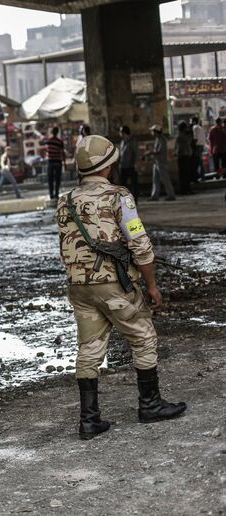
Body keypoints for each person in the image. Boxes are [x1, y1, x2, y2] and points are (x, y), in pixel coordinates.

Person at [56, 134, 186, 440]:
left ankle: (89, 420)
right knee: (143, 337)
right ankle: (150, 404)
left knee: (89, 348)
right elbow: (139, 242)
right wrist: (151, 284)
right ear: (109, 165)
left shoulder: (66, 200)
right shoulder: (119, 196)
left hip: (79, 286)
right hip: (114, 285)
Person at [146, 125, 176, 201]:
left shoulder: (162, 140)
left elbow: (159, 151)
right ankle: (154, 196)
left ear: (156, 132)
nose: (152, 133)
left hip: (161, 162)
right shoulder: (157, 139)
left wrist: (151, 152)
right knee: (155, 180)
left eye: (153, 131)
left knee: (165, 179)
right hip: (156, 162)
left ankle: (171, 195)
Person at [43, 126, 65, 200]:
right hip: (58, 162)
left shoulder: (49, 141)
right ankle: (56, 194)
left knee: (50, 179)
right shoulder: (60, 141)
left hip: (50, 162)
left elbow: (46, 151)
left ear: (52, 132)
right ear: (57, 132)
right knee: (57, 179)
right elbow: (62, 152)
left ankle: (51, 195)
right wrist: (64, 163)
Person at [118, 125, 139, 199]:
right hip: (123, 166)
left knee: (134, 184)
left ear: (124, 132)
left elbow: (136, 153)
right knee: (122, 185)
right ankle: (123, 201)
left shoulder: (132, 141)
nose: (119, 133)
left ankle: (135, 200)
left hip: (131, 166)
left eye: (120, 132)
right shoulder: (122, 142)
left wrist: (136, 164)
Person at [174, 121, 194, 195]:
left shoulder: (180, 136)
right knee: (185, 174)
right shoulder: (181, 136)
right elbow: (187, 144)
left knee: (184, 174)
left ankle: (185, 189)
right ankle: (185, 189)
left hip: (183, 156)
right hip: (183, 156)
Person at [191, 116, 206, 182]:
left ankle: (199, 177)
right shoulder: (201, 128)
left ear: (194, 121)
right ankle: (202, 176)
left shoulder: (195, 127)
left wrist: (192, 145)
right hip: (201, 146)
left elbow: (195, 138)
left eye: (191, 121)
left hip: (197, 147)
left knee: (197, 162)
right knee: (200, 162)